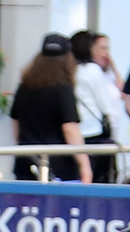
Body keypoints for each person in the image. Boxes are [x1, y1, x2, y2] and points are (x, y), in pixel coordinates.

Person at [12, 34, 92, 182]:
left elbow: (16, 124)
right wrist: (84, 164)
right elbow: (70, 129)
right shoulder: (63, 89)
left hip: (26, 163)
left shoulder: (24, 86)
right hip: (59, 166)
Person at [70, 30, 130, 180]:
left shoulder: (72, 70)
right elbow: (106, 105)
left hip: (78, 132)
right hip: (94, 132)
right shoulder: (92, 71)